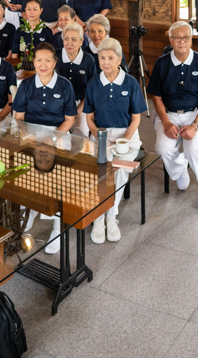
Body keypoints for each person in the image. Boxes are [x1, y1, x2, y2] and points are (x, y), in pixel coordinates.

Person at [83, 38, 147, 243]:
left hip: (126, 136)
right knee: (98, 170)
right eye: (102, 58)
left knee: (118, 170)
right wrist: (99, 136)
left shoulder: (130, 82)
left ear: (119, 59)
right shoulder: (93, 83)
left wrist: (124, 141)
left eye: (111, 57)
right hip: (100, 135)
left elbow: (136, 119)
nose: (106, 62)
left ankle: (110, 216)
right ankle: (98, 218)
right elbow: (89, 118)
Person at [148, 21, 198, 191]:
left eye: (185, 37)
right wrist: (166, 122)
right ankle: (180, 170)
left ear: (191, 39)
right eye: (177, 37)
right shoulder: (161, 64)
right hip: (169, 114)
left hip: (195, 115)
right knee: (163, 148)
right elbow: (156, 96)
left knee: (194, 151)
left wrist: (194, 126)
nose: (182, 41)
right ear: (170, 40)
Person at [12, 42, 77, 132]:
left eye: (47, 60)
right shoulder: (25, 84)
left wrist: (54, 138)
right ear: (34, 62)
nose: (43, 65)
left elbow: (70, 120)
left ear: (54, 62)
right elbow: (19, 117)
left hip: (58, 131)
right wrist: (28, 137)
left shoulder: (65, 85)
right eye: (39, 60)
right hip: (30, 131)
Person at [55, 23, 96, 137]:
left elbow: (91, 90)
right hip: (58, 104)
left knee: (80, 135)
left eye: (74, 39)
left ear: (81, 41)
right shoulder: (55, 57)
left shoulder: (88, 60)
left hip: (81, 105)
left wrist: (78, 110)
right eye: (66, 39)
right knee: (59, 136)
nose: (69, 43)